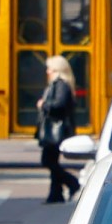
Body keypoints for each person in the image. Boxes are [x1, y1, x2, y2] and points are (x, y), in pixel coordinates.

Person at [37, 55, 80, 204]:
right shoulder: (57, 84)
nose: (47, 72)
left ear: (56, 70)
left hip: (57, 130)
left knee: (48, 160)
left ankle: (72, 182)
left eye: (49, 69)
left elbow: (59, 105)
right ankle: (56, 194)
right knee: (52, 160)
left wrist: (43, 104)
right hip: (55, 130)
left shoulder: (60, 84)